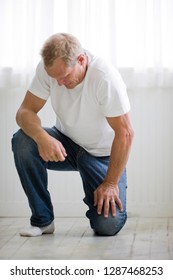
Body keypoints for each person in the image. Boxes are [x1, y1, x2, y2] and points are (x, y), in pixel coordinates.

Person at [12, 33, 134, 237]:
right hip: (66, 144)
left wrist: (110, 183)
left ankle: (98, 195)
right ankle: (43, 221)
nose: (59, 83)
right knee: (23, 141)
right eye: (54, 78)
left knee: (107, 226)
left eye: (65, 76)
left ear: (81, 60)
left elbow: (126, 133)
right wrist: (42, 137)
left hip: (101, 155)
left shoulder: (104, 77)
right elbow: (24, 112)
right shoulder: (48, 70)